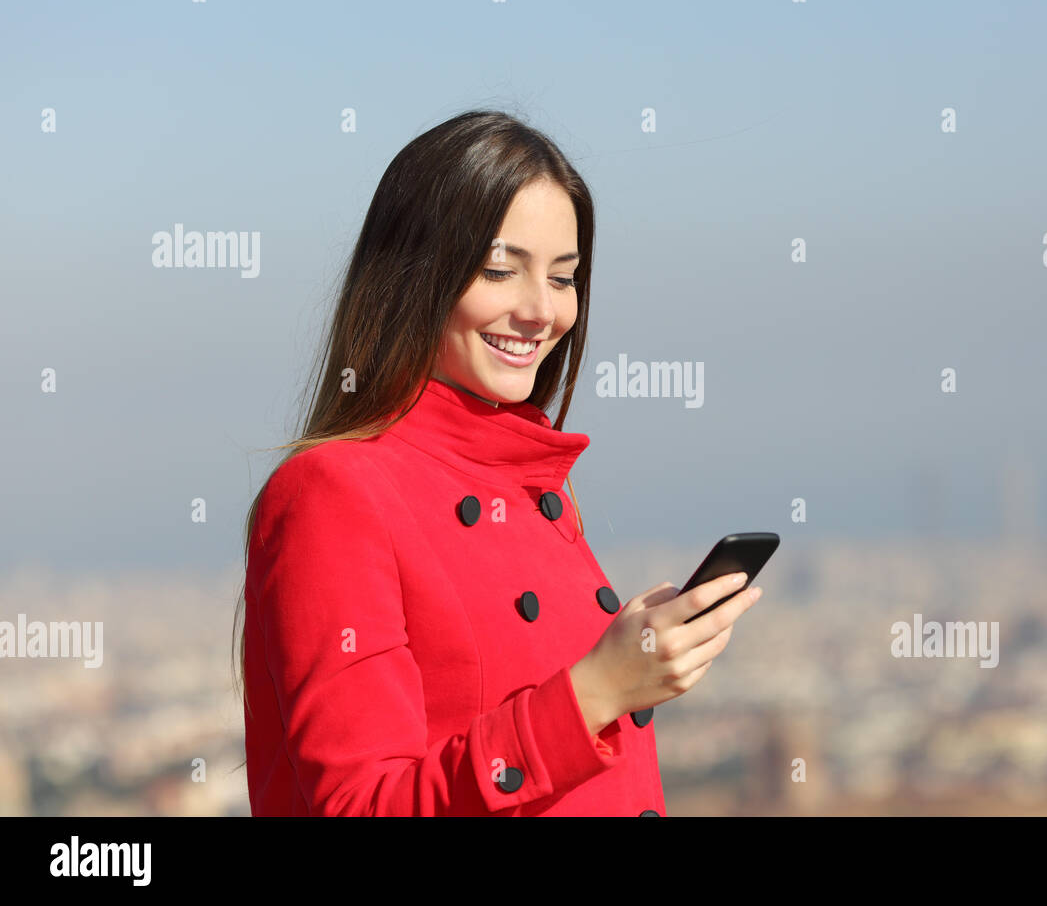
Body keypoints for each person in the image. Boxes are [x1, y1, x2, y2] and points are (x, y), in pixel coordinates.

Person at [232, 110, 765, 815]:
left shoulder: (537, 485)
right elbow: (362, 806)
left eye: (565, 278)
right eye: (499, 270)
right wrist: (601, 688)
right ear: (410, 276)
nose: (541, 311)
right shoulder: (332, 490)